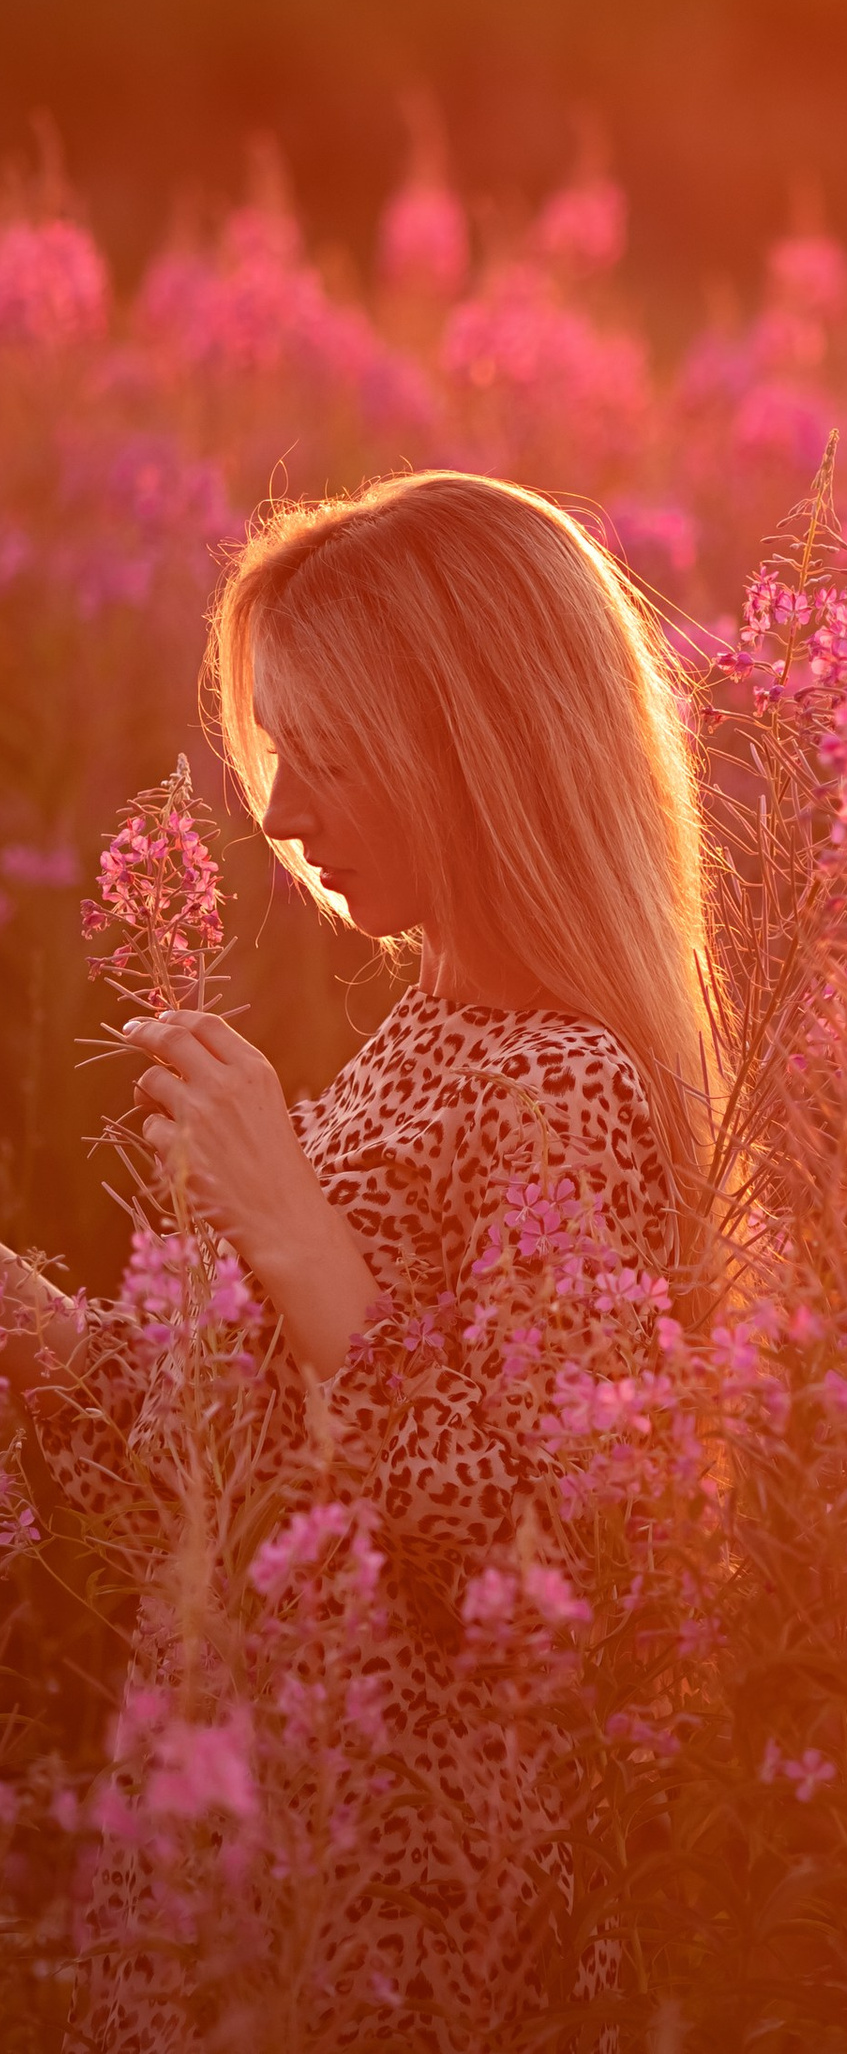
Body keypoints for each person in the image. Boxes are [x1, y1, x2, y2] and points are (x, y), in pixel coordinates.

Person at [0, 471, 712, 2048]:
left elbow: (533, 1537)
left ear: (479, 753)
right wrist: (40, 1331)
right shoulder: (423, 1040)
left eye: (322, 757)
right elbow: (263, 1456)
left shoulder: (572, 1080)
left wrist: (289, 1223)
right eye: (276, 755)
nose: (276, 813)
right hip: (261, 1847)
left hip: (402, 1904)